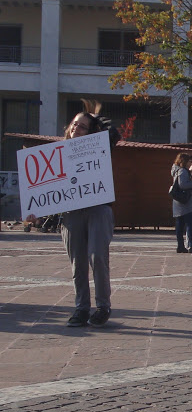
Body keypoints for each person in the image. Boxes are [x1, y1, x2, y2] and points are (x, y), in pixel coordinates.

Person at [60, 101, 119, 327]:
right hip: (72, 213)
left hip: (98, 209)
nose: (76, 128)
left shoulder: (100, 146)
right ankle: (81, 308)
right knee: (78, 263)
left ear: (92, 131)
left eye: (82, 126)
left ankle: (103, 306)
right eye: (74, 124)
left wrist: (96, 119)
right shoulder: (58, 154)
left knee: (97, 257)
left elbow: (114, 133)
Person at [171, 153, 192, 253]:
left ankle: (181, 245)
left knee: (180, 224)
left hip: (178, 200)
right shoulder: (182, 171)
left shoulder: (175, 170)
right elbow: (182, 185)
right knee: (190, 223)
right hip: (184, 201)